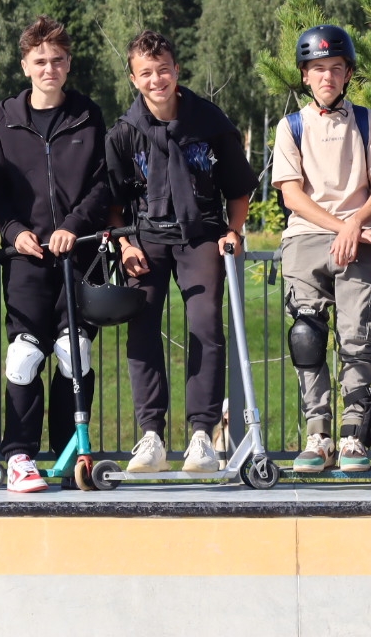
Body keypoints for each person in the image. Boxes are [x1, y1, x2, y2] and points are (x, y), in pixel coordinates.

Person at [105, 30, 258, 474]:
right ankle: (150, 435)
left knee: (206, 326)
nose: (157, 80)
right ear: (134, 78)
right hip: (145, 240)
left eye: (164, 70)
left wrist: (233, 230)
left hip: (201, 235)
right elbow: (112, 205)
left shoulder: (209, 121)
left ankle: (201, 436)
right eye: (147, 73)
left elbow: (238, 187)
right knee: (142, 330)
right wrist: (125, 243)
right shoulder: (124, 133)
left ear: (177, 71)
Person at [0, 16, 112, 494]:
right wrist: (15, 232)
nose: (49, 68)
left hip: (77, 255)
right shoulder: (4, 117)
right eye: (40, 61)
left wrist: (73, 228)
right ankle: (19, 456)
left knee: (73, 354)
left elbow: (102, 186)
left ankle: (72, 452)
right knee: (23, 357)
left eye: (57, 60)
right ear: (25, 66)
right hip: (25, 258)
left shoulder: (87, 114)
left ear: (68, 63)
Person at [273, 25, 371, 474]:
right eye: (318, 69)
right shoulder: (291, 126)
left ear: (348, 74)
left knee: (357, 336)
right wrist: (342, 227)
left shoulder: (369, 121)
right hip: (306, 237)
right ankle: (317, 433)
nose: (328, 77)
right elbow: (292, 195)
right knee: (307, 337)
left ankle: (352, 435)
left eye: (336, 69)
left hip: (361, 238)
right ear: (305, 76)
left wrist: (356, 225)